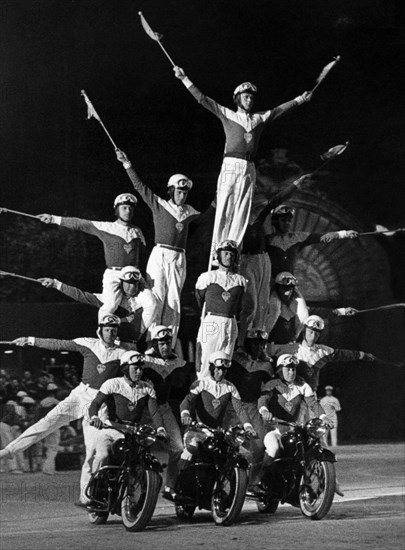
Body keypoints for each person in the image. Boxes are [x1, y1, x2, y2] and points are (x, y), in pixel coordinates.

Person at [174, 65, 312, 262]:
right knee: (224, 208)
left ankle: (234, 253)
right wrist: (184, 78)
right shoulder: (227, 114)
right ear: (237, 99)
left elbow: (279, 110)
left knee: (242, 211)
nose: (249, 99)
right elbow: (203, 99)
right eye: (246, 96)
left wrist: (300, 99)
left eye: (251, 97)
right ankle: (217, 254)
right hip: (231, 165)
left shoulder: (258, 118)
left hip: (249, 168)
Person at [0, 314, 129, 505]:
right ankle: (8, 451)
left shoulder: (122, 353)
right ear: (100, 330)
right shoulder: (88, 343)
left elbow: (138, 364)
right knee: (45, 424)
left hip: (100, 403)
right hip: (80, 395)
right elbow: (57, 344)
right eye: (107, 329)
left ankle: (86, 498)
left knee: (93, 451)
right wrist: (29, 340)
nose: (110, 333)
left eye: (114, 330)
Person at [116, 149, 214, 345]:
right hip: (160, 253)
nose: (182, 195)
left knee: (174, 300)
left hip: (179, 258)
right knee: (157, 296)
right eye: (179, 191)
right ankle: (152, 341)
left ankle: (167, 343)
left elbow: (206, 220)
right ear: (171, 190)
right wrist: (127, 164)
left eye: (185, 192)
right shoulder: (160, 204)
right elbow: (139, 187)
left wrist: (218, 200)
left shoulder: (190, 211)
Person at [37, 194, 145, 320]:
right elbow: (80, 224)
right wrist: (53, 219)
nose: (128, 211)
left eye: (131, 208)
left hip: (134, 276)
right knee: (110, 305)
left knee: (152, 304)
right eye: (124, 208)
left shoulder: (137, 231)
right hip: (114, 274)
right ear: (117, 210)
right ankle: (104, 337)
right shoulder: (108, 227)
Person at [172, 351, 256, 499]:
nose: (220, 372)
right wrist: (185, 413)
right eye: (217, 368)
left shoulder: (230, 387)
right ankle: (176, 485)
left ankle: (236, 491)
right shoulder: (201, 383)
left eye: (223, 369)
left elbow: (240, 409)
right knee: (191, 449)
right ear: (211, 367)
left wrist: (248, 425)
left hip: (218, 432)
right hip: (198, 430)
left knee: (245, 455)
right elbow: (187, 401)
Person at [237, 175, 311, 345]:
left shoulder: (260, 215)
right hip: (245, 261)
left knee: (264, 306)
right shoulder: (235, 218)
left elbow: (277, 200)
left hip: (262, 260)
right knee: (251, 306)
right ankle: (242, 343)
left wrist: (296, 184)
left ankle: (260, 343)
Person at [253, 354, 327, 494]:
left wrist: (323, 417)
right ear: (280, 370)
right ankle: (258, 480)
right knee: (274, 448)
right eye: (288, 369)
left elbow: (313, 403)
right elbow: (263, 400)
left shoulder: (302, 385)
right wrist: (264, 411)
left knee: (307, 450)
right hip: (274, 429)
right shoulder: (272, 384)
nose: (291, 372)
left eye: (293, 369)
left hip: (294, 430)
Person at [88, 350, 166, 477]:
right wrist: (95, 417)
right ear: (125, 368)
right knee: (103, 456)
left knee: (140, 460)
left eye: (141, 368)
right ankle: (93, 487)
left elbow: (155, 411)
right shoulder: (112, 384)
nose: (139, 372)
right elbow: (95, 404)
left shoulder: (147, 388)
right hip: (111, 429)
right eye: (135, 368)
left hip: (134, 433)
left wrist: (161, 428)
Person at [38, 265, 158, 345]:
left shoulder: (144, 302)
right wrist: (55, 284)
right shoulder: (110, 299)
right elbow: (81, 295)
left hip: (135, 345)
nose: (131, 287)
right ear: (121, 282)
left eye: (135, 284)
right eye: (128, 283)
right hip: (113, 344)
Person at [142, 325, 188, 501]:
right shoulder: (144, 360)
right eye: (161, 343)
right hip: (142, 408)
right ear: (155, 343)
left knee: (178, 448)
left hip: (163, 407)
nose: (165, 346)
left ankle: (170, 486)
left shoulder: (175, 360)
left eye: (168, 342)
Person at [266, 272, 357, 355]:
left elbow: (320, 312)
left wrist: (343, 311)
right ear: (277, 288)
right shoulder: (267, 307)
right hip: (269, 349)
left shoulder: (298, 309)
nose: (288, 292)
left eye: (290, 289)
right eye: (284, 289)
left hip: (290, 351)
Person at [228, 329, 274, 489]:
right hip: (233, 406)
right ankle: (230, 481)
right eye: (255, 343)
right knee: (232, 443)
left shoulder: (267, 364)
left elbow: (268, 389)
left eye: (262, 344)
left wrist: (264, 406)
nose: (258, 347)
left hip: (253, 406)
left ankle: (253, 482)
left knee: (260, 445)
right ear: (248, 344)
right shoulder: (235, 359)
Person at [195, 240, 247, 378]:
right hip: (211, 321)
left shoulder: (240, 280)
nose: (228, 256)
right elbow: (199, 300)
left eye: (231, 253)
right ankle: (200, 391)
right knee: (205, 358)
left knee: (224, 360)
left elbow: (241, 305)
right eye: (225, 253)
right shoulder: (207, 277)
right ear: (218, 255)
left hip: (231, 323)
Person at [265, 204, 358, 279]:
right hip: (269, 285)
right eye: (283, 220)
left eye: (289, 220)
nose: (287, 223)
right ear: (276, 221)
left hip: (289, 284)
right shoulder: (267, 240)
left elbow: (322, 237)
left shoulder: (297, 237)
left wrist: (345, 233)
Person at [291, 315, 377, 393]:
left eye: (317, 334)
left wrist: (361, 355)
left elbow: (342, 354)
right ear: (304, 331)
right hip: (293, 392)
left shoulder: (322, 351)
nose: (313, 337)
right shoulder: (290, 349)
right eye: (310, 332)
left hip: (311, 395)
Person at [38, 383, 61, 475]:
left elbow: (39, 414)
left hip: (44, 425)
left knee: (48, 447)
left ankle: (51, 467)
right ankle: (48, 468)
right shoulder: (56, 401)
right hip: (54, 425)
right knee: (53, 448)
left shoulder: (42, 402)